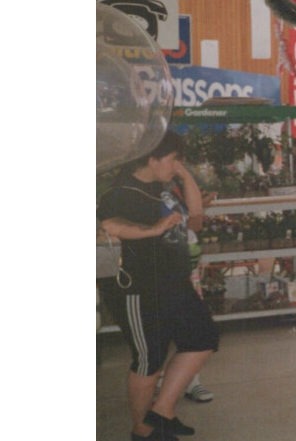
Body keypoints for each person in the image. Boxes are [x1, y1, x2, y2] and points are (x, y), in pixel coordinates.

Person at [97, 132, 219, 440]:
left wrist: (182, 171)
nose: (177, 165)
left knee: (202, 336)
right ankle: (143, 431)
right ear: (151, 159)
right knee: (149, 357)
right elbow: (105, 229)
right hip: (137, 287)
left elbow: (196, 218)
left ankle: (162, 411)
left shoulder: (160, 187)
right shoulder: (121, 193)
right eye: (173, 159)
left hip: (172, 282)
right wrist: (152, 230)